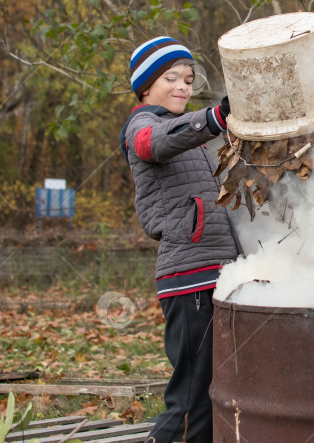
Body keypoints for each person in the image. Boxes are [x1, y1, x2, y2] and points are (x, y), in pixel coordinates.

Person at [119, 36, 242, 443]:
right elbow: (155, 143)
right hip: (188, 277)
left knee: (218, 393)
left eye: (189, 80)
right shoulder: (143, 126)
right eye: (171, 77)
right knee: (191, 397)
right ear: (145, 87)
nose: (182, 87)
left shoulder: (192, 140)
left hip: (217, 275)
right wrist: (214, 118)